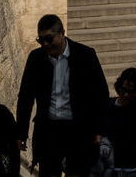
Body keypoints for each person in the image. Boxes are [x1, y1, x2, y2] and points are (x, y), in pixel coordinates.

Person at [17, 14, 110, 177]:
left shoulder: (85, 55)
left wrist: (99, 130)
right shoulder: (36, 58)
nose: (45, 44)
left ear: (62, 33)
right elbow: (26, 97)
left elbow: (101, 95)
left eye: (49, 39)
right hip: (49, 130)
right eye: (41, 40)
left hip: (78, 129)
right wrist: (21, 133)